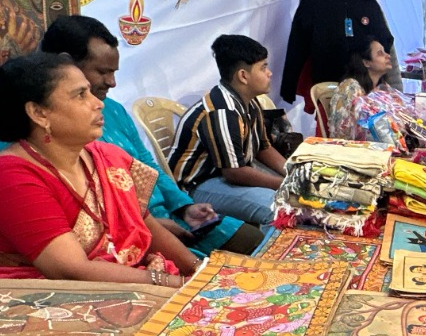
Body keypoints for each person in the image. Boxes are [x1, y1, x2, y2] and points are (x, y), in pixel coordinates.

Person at [36, 16, 261, 255]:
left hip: (164, 218)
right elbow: (85, 205)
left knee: (254, 240)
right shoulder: (46, 131)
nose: (112, 82)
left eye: (114, 72)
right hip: (123, 234)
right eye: (102, 72)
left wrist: (183, 206)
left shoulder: (112, 109)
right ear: (66, 65)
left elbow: (146, 163)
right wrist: (147, 225)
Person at [0, 53, 195, 284]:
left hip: (127, 282)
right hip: (52, 295)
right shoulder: (8, 176)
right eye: (80, 95)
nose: (98, 103)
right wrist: (177, 285)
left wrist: (198, 271)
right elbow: (70, 271)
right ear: (39, 113)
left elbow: (148, 228)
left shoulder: (106, 157)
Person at [168, 35, 289, 226]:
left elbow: (263, 147)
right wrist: (286, 184)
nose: (269, 73)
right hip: (197, 186)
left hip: (226, 177)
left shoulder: (249, 102)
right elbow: (234, 172)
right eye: (263, 67)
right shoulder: (222, 112)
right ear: (243, 76)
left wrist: (292, 173)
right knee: (279, 210)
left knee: (295, 194)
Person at [330, 37, 412, 147]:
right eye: (380, 53)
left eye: (385, 51)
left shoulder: (382, 88)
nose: (388, 56)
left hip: (375, 147)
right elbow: (343, 133)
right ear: (366, 62)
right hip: (350, 149)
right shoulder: (350, 88)